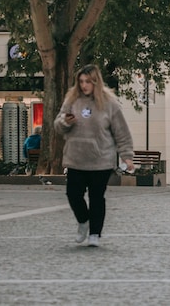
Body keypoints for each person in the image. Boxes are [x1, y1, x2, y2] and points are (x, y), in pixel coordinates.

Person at [53, 64, 134, 248]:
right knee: (73, 194)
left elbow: (121, 132)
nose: (84, 85)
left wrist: (126, 156)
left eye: (88, 81)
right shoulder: (72, 100)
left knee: (97, 197)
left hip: (101, 159)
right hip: (76, 158)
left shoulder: (109, 104)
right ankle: (83, 222)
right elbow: (58, 124)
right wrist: (65, 122)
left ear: (95, 82)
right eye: (81, 81)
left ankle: (95, 233)